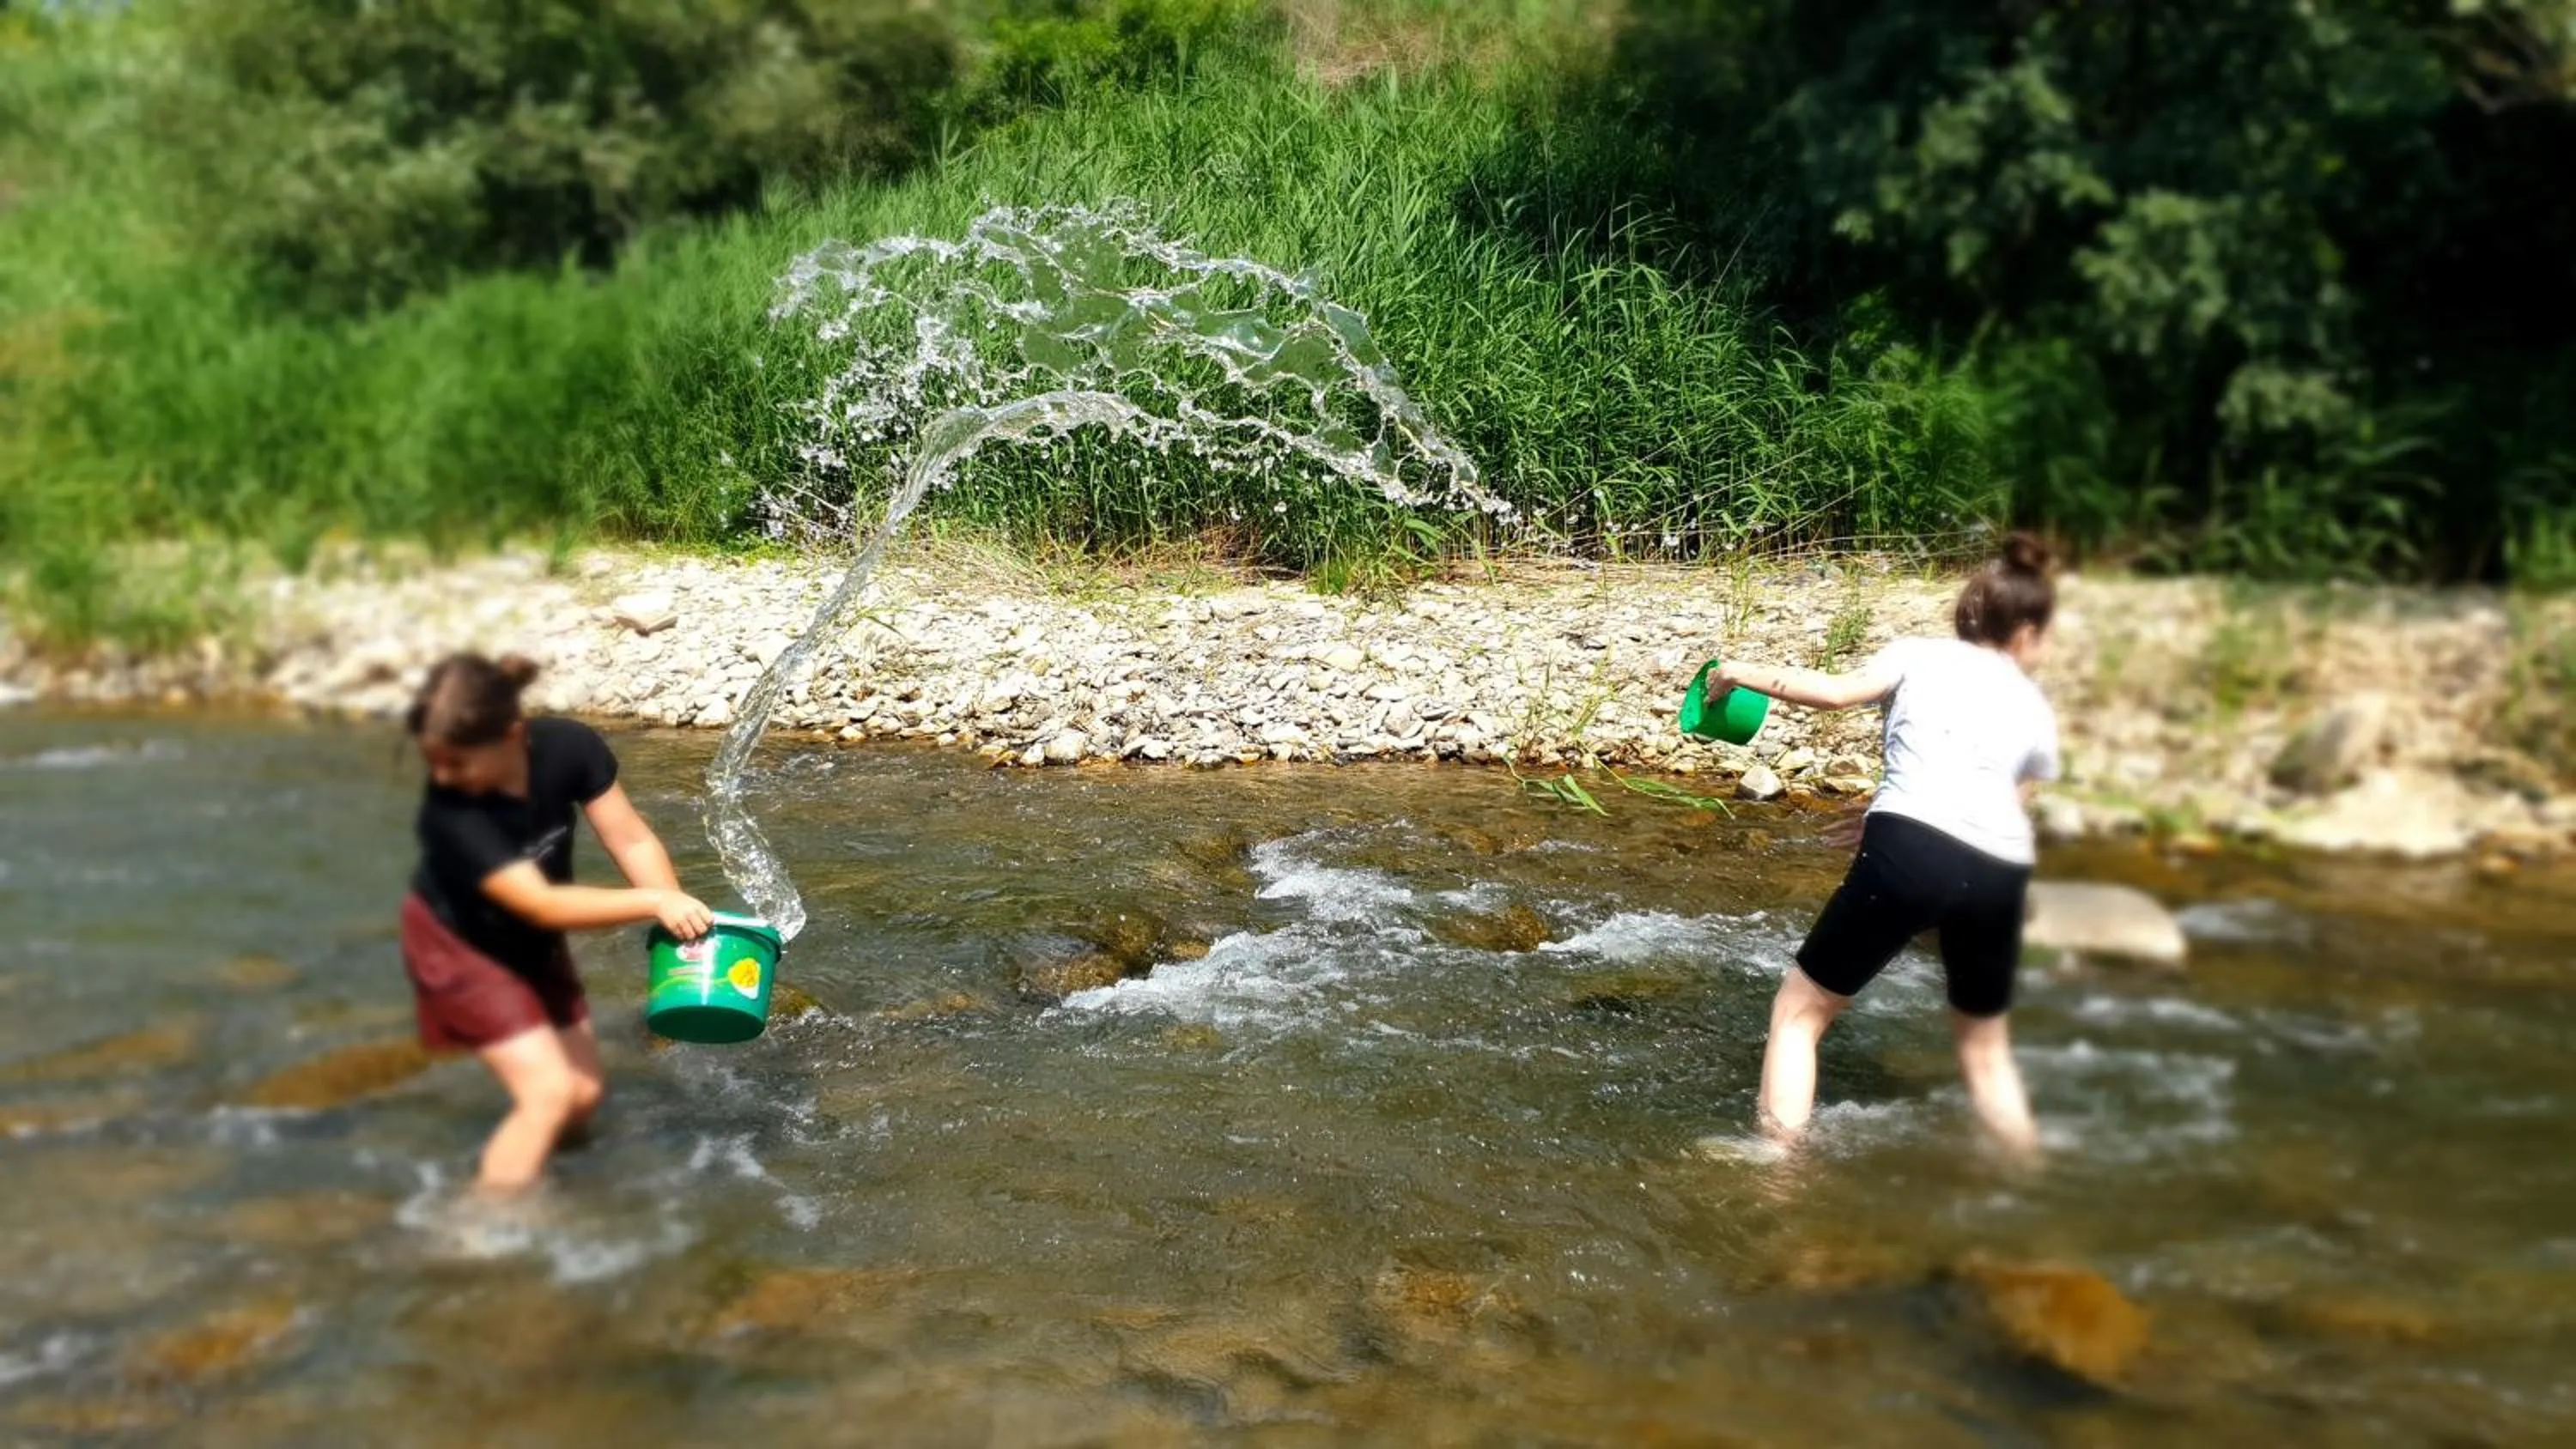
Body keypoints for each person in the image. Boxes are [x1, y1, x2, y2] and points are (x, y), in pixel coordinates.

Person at [1708, 535, 2062, 1156]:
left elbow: (1838, 694)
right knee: (1985, 1049)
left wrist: (1737, 673)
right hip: (2002, 868)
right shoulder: (2036, 707)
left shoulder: (1919, 654)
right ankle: (2031, 1180)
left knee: (1800, 1012)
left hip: (1911, 848)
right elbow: (2008, 801)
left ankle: (1776, 1171)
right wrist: (1884, 812)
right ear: (2028, 633)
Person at [401, 652, 714, 1196]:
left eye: (458, 762)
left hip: (533, 944)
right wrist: (652, 903)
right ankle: (479, 1234)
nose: (444, 777)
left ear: (512, 737)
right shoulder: (451, 815)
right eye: (435, 762)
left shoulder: (570, 747)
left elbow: (631, 839)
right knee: (547, 1093)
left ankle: (547, 1185)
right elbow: (543, 904)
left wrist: (676, 935)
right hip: (461, 949)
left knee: (583, 1094)